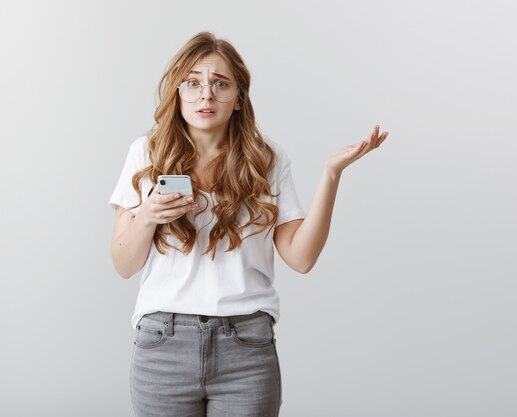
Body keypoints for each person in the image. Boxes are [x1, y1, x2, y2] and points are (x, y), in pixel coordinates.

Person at [108, 31, 389, 417]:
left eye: (220, 84)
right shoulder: (145, 152)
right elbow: (123, 264)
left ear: (238, 98)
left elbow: (302, 258)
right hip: (163, 343)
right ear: (177, 93)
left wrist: (331, 174)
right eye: (192, 83)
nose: (206, 95)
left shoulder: (267, 159)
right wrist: (148, 216)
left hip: (246, 346)